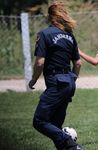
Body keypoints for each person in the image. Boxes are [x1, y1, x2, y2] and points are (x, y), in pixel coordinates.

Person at [28, 1, 83, 150]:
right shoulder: (70, 36)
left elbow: (40, 63)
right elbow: (78, 63)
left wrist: (33, 80)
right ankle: (69, 147)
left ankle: (72, 144)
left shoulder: (45, 34)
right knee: (55, 125)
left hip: (57, 83)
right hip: (69, 83)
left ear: (51, 16)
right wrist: (72, 78)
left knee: (39, 121)